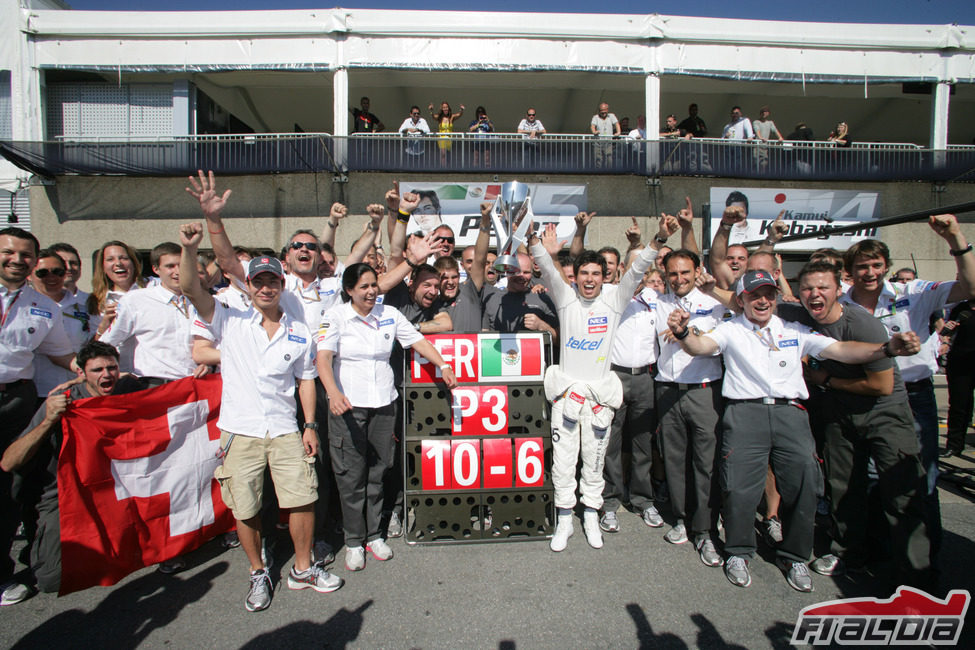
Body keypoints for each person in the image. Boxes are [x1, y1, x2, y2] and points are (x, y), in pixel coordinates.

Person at [667, 269, 923, 591]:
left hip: (791, 413)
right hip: (746, 412)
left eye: (769, 294)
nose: (763, 301)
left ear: (776, 297)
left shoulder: (794, 328)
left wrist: (886, 349)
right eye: (755, 294)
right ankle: (739, 551)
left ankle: (795, 555)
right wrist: (682, 333)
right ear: (742, 298)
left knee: (802, 486)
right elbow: (700, 346)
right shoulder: (730, 329)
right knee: (740, 488)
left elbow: (842, 351)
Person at [178, 223, 342, 612]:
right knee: (246, 507)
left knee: (302, 499)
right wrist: (189, 249)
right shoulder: (228, 319)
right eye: (258, 281)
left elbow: (305, 381)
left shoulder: (299, 329)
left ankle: (302, 568)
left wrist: (310, 425)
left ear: (281, 285)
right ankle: (258, 571)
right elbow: (190, 289)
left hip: (286, 428)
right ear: (247, 286)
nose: (266, 288)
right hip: (240, 431)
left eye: (272, 281)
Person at [780, 261, 933, 590]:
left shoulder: (862, 324)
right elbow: (744, 299)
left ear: (839, 290)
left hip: (884, 414)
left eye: (823, 287)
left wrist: (826, 379)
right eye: (807, 288)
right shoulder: (800, 315)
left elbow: (881, 386)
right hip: (840, 414)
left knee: (902, 494)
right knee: (844, 488)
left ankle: (918, 579)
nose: (814, 294)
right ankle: (849, 552)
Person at [531, 214, 677, 552]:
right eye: (584, 273)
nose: (590, 279)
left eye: (597, 273)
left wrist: (657, 240)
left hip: (599, 399)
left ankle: (592, 516)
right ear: (576, 276)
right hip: (567, 396)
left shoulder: (614, 300)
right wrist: (532, 239)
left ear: (605, 276)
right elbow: (548, 268)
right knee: (564, 462)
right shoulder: (565, 298)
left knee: (595, 462)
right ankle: (565, 518)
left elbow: (638, 270)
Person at [839, 215, 975, 562]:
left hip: (913, 396)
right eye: (861, 266)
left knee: (920, 480)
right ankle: (881, 552)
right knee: (870, 479)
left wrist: (956, 238)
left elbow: (970, 289)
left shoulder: (913, 293)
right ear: (849, 270)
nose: (869, 272)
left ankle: (925, 562)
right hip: (864, 394)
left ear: (886, 266)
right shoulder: (841, 302)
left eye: (876, 265)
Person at [317, 263, 457, 571]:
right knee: (351, 476)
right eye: (364, 286)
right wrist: (332, 393)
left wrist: (443, 365)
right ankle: (354, 541)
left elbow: (417, 341)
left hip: (384, 404)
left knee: (378, 471)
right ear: (349, 290)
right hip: (348, 408)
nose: (370, 291)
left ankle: (373, 535)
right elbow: (323, 358)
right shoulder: (336, 317)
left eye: (373, 286)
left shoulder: (389, 315)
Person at [1, 341, 147, 596]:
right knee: (52, 579)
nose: (106, 375)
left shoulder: (126, 389)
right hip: (65, 492)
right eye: (97, 370)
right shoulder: (61, 402)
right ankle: (37, 542)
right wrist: (48, 420)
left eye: (111, 368)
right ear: (81, 373)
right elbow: (9, 462)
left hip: (111, 484)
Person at [0, 227, 75, 606]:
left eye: (25, 255)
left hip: (14, 400)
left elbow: (61, 353)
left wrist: (93, 371)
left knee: (9, 486)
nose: (17, 260)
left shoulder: (43, 307)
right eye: (9, 252)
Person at [653, 248, 729, 568]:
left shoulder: (714, 303)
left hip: (704, 391)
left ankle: (706, 529)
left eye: (686, 272)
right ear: (665, 274)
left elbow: (711, 343)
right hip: (667, 390)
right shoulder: (659, 303)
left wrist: (687, 332)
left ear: (697, 271)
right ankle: (683, 519)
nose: (679, 279)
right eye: (673, 273)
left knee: (706, 463)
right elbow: (660, 337)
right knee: (674, 461)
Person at [600, 218, 664, 535]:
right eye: (634, 267)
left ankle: (642, 500)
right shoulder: (610, 295)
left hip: (646, 379)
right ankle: (610, 501)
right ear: (625, 269)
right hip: (616, 377)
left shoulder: (655, 301)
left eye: (645, 270)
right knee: (611, 444)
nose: (639, 274)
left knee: (642, 444)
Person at [98, 242, 205, 386]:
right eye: (170, 266)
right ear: (156, 269)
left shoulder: (202, 301)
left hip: (192, 384)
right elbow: (107, 343)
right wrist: (119, 372)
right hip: (152, 386)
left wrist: (207, 365)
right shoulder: (135, 300)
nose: (178, 271)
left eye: (181, 265)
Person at [29, 250, 99, 399]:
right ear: (29, 275)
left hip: (81, 387)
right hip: (39, 390)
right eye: (42, 273)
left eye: (57, 271)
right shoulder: (23, 307)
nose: (52, 277)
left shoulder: (86, 304)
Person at [942, 299, 975, 457]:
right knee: (958, 405)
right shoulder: (961, 308)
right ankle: (954, 445)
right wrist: (947, 330)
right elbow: (945, 333)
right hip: (960, 363)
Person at [429, 101, 465, 166]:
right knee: (443, 154)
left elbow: (459, 115)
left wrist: (461, 110)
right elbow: (433, 116)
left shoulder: (451, 117)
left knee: (448, 154)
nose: (445, 109)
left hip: (449, 138)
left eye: (446, 107)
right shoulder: (440, 117)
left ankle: (447, 168)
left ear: (448, 108)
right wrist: (431, 110)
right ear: (442, 109)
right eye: (444, 107)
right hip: (442, 138)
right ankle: (443, 168)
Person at [590, 102, 620, 169]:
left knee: (609, 157)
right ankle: (598, 171)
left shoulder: (611, 116)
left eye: (605, 112)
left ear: (607, 110)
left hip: (608, 141)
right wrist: (594, 131)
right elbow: (592, 126)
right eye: (602, 112)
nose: (603, 114)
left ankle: (608, 171)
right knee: (598, 158)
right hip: (598, 141)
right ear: (599, 111)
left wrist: (618, 132)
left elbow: (617, 124)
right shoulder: (595, 117)